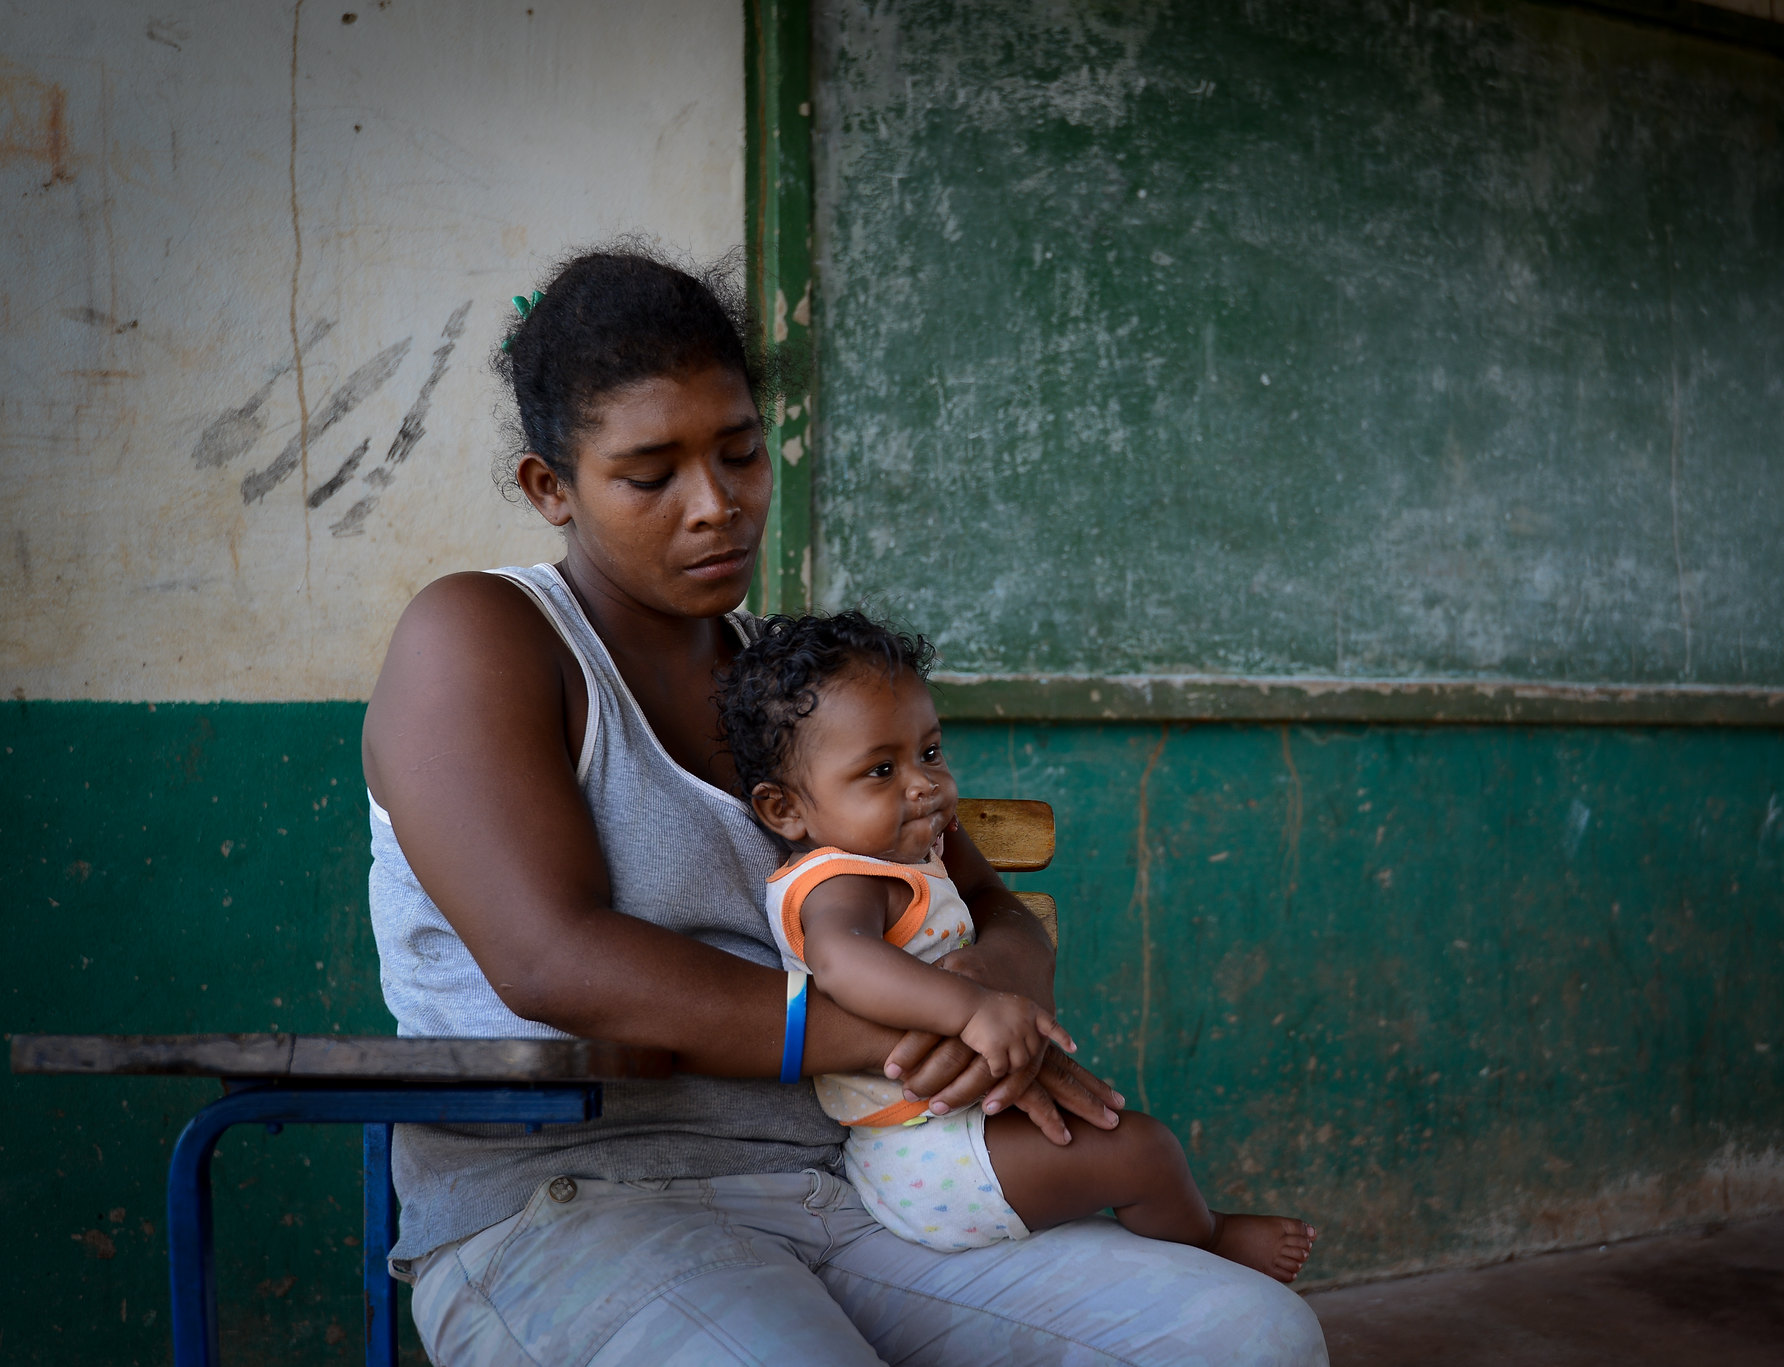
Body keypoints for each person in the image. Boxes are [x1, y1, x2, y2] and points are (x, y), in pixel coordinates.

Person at [360, 244, 1329, 1365]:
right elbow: (553, 959)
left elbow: (981, 897)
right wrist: (919, 1025)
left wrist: (998, 992)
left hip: (852, 1181)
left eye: (739, 453)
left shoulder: (800, 686)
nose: (715, 505)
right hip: (569, 1201)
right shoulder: (480, 635)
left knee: (1247, 1333)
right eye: (649, 474)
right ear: (550, 488)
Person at [718, 609, 1319, 1280]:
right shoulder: (840, 878)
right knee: (1142, 1152)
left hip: (950, 1126)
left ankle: (1187, 1244)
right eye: (880, 769)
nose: (922, 782)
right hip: (924, 1150)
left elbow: (990, 900)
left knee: (1130, 1140)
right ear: (785, 810)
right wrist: (971, 1010)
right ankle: (1205, 1241)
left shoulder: (912, 849)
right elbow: (842, 961)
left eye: (930, 752)